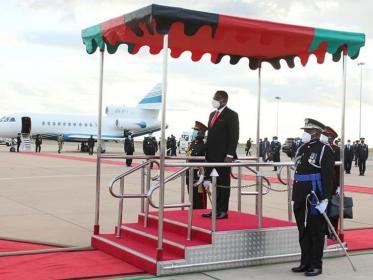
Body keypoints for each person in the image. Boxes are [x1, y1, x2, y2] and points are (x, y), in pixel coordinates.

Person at [291, 118, 334, 276]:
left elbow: (327, 177)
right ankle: (305, 262)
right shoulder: (302, 148)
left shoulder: (324, 149)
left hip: (315, 196)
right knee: (303, 230)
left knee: (316, 231)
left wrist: (325, 199)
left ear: (316, 132)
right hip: (300, 194)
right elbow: (297, 173)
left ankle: (316, 265)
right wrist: (294, 197)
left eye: (308, 131)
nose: (305, 133)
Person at [202, 90, 239, 220]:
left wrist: (230, 154)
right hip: (211, 156)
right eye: (214, 97)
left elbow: (234, 137)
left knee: (224, 184)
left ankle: (223, 210)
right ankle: (215, 209)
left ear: (223, 100)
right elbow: (211, 135)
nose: (214, 100)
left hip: (223, 157)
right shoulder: (212, 114)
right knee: (215, 183)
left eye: (216, 98)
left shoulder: (231, 115)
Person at [320, 126, 340, 239]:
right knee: (322, 208)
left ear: (331, 138)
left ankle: (333, 231)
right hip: (321, 182)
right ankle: (323, 230)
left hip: (333, 183)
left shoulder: (336, 149)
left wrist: (339, 186)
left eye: (327, 136)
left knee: (333, 208)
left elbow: (339, 170)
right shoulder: (320, 148)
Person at [186, 121, 208, 209]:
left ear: (201, 132)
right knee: (192, 198)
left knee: (200, 201)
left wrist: (206, 179)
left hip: (199, 176)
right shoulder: (191, 144)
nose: (194, 132)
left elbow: (206, 163)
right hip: (190, 175)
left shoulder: (204, 146)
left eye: (196, 130)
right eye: (194, 130)